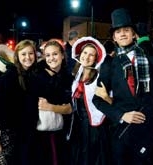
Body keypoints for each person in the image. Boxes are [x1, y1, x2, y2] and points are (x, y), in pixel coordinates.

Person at [92, 8, 153, 165]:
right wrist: (121, 115)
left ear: (134, 34)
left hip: (146, 126)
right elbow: (97, 100)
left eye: (127, 30)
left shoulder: (149, 58)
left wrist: (149, 107)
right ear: (114, 37)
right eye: (118, 32)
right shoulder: (109, 64)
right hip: (122, 129)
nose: (123, 34)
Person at [0, 39, 38, 164]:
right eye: (23, 54)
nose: (28, 57)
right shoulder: (9, 77)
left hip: (12, 132)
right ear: (17, 56)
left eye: (31, 53)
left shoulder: (28, 74)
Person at [28, 39, 73, 165]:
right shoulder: (37, 74)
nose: (51, 58)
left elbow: (70, 108)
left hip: (60, 130)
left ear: (62, 55)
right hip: (39, 130)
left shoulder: (68, 78)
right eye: (47, 55)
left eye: (55, 54)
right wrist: (60, 107)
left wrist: (50, 106)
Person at [70, 36, 110, 165]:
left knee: (92, 157)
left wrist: (106, 97)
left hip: (94, 127)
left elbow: (112, 102)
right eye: (85, 53)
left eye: (91, 55)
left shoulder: (100, 77)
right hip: (78, 125)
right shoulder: (75, 74)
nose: (87, 57)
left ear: (96, 59)